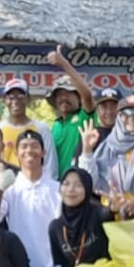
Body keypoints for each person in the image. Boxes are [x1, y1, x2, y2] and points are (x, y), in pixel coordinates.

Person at [0, 131, 62, 267]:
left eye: (35, 146)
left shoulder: (57, 189)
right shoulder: (9, 192)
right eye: (24, 147)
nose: (29, 151)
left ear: (43, 152)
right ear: (17, 154)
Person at [45, 46, 98, 179]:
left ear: (78, 97)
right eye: (59, 94)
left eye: (68, 93)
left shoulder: (85, 117)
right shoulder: (56, 125)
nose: (63, 98)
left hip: (81, 184)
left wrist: (64, 64)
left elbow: (87, 95)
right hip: (58, 186)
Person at [50, 168, 111, 267]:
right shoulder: (55, 227)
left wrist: (116, 209)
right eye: (66, 184)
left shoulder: (98, 215)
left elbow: (109, 214)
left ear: (87, 189)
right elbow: (61, 265)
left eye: (78, 185)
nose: (71, 189)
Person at [0, 78, 57, 175]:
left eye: (20, 97)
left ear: (28, 99)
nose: (15, 101)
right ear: (4, 100)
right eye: (11, 97)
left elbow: (49, 164)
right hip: (5, 185)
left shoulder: (41, 128)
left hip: (33, 185)